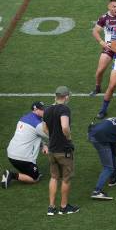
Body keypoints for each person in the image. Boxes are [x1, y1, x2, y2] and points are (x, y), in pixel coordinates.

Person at [42, 86, 78, 216]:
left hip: (52, 149)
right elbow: (65, 126)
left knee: (54, 177)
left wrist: (53, 137)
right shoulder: (64, 109)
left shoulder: (47, 109)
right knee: (66, 179)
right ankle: (64, 207)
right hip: (63, 149)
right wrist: (68, 137)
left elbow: (44, 128)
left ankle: (51, 207)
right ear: (66, 97)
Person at [2, 102, 48, 188]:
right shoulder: (38, 124)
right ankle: (11, 175)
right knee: (35, 178)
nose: (44, 111)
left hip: (11, 154)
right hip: (22, 158)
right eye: (42, 109)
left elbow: (32, 135)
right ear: (35, 110)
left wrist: (43, 145)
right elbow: (50, 135)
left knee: (31, 171)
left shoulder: (24, 118)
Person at [90, 0, 116, 96]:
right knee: (100, 71)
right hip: (109, 48)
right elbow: (95, 31)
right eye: (114, 6)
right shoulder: (104, 18)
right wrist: (101, 42)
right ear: (109, 7)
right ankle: (97, 87)